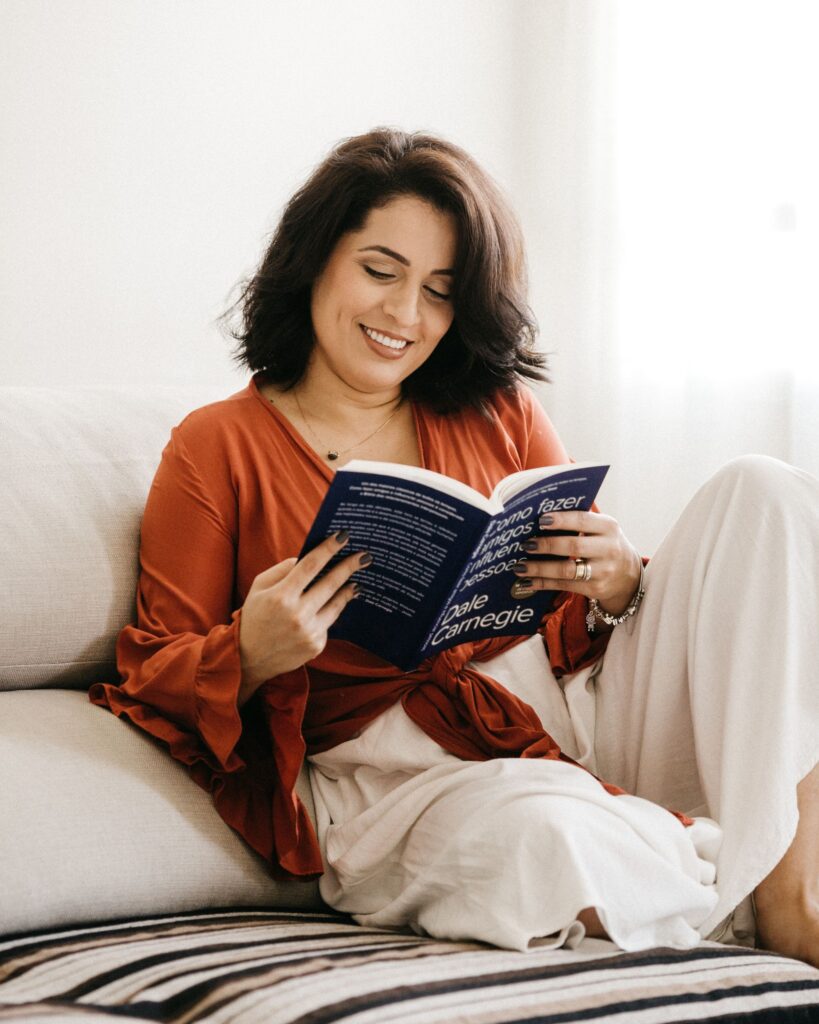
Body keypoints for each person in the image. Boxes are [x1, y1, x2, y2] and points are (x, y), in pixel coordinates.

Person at [89, 128, 819, 966]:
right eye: (379, 271)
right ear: (315, 259)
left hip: (573, 708)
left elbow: (590, 602)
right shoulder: (214, 447)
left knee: (768, 492)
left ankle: (783, 898)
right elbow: (149, 671)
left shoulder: (495, 409)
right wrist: (249, 653)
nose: (404, 315)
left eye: (439, 292)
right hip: (404, 776)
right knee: (542, 835)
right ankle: (702, 872)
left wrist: (618, 581)